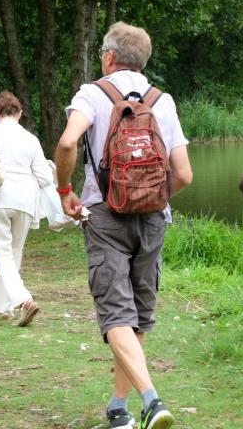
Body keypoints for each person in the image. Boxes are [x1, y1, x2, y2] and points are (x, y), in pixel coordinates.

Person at [55, 22, 193, 429]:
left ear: (109, 56)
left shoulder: (93, 93)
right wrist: (151, 197)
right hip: (153, 220)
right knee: (137, 317)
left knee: (116, 315)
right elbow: (183, 174)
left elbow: (66, 143)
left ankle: (150, 400)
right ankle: (119, 409)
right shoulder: (161, 101)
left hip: (105, 217)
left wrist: (65, 190)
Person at [0, 91, 51, 326]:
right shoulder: (30, 139)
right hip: (25, 200)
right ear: (20, 113)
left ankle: (23, 300)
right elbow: (44, 176)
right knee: (14, 253)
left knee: (2, 253)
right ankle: (4, 307)